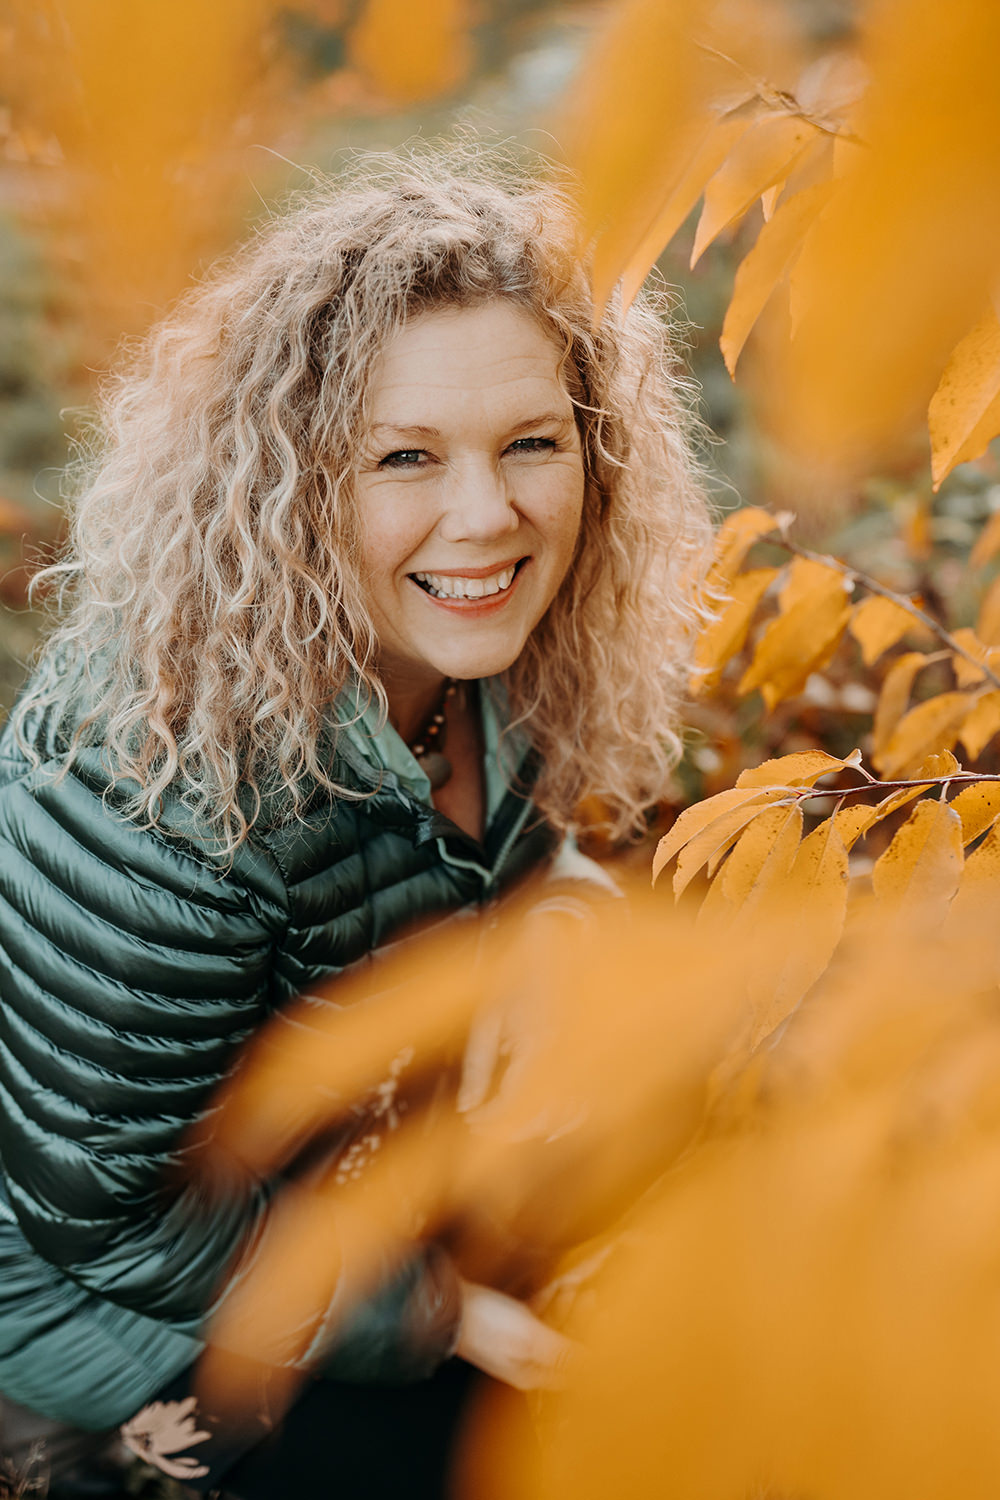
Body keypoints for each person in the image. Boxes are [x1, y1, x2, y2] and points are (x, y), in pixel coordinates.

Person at [0, 140, 712, 1498]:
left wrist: (558, 921)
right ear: (285, 486)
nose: (485, 514)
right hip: (119, 1307)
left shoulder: (500, 648)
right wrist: (441, 1316)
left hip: (350, 1175)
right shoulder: (164, 789)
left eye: (530, 445)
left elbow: (515, 854)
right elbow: (103, 1215)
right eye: (402, 456)